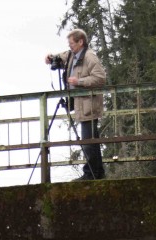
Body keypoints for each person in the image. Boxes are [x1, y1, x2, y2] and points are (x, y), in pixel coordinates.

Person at [45, 29, 107, 180]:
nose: (70, 46)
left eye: (72, 43)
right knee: (91, 140)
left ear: (81, 42)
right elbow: (62, 56)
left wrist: (79, 82)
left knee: (88, 140)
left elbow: (100, 78)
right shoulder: (73, 54)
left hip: (89, 104)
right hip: (82, 105)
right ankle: (97, 173)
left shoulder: (89, 56)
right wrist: (51, 57)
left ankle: (90, 174)